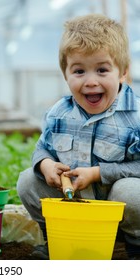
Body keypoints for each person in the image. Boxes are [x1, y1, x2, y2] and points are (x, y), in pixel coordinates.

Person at [17, 14, 140, 260]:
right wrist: (46, 164)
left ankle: (133, 242)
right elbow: (43, 148)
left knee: (131, 193)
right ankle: (53, 238)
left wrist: (97, 173)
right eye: (79, 71)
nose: (91, 81)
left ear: (123, 72)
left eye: (102, 70)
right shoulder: (58, 113)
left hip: (115, 204)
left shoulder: (134, 116)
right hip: (73, 199)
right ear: (66, 75)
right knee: (28, 180)